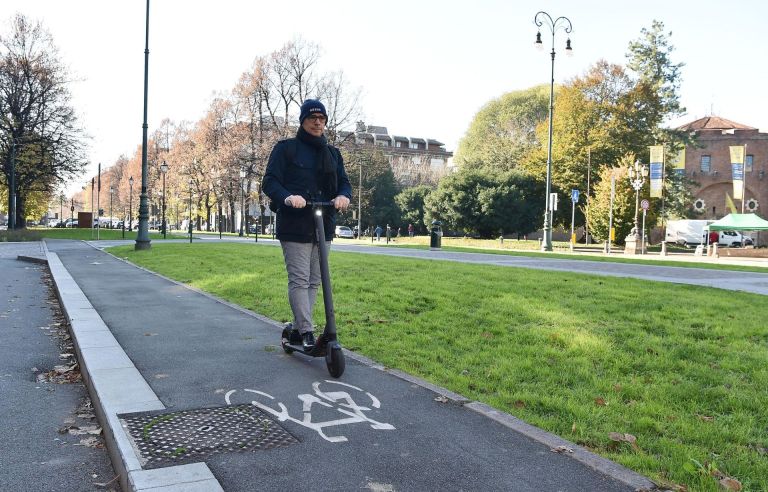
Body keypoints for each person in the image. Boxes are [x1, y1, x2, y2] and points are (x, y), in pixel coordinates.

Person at [262, 99, 352, 350]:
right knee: (300, 279)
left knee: (315, 280)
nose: (317, 122)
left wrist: (344, 195)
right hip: (295, 224)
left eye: (322, 119)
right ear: (303, 120)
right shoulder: (286, 149)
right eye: (313, 118)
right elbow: (270, 182)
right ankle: (307, 331)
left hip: (323, 224)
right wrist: (288, 197)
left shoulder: (333, 153)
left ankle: (299, 327)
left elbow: (344, 182)